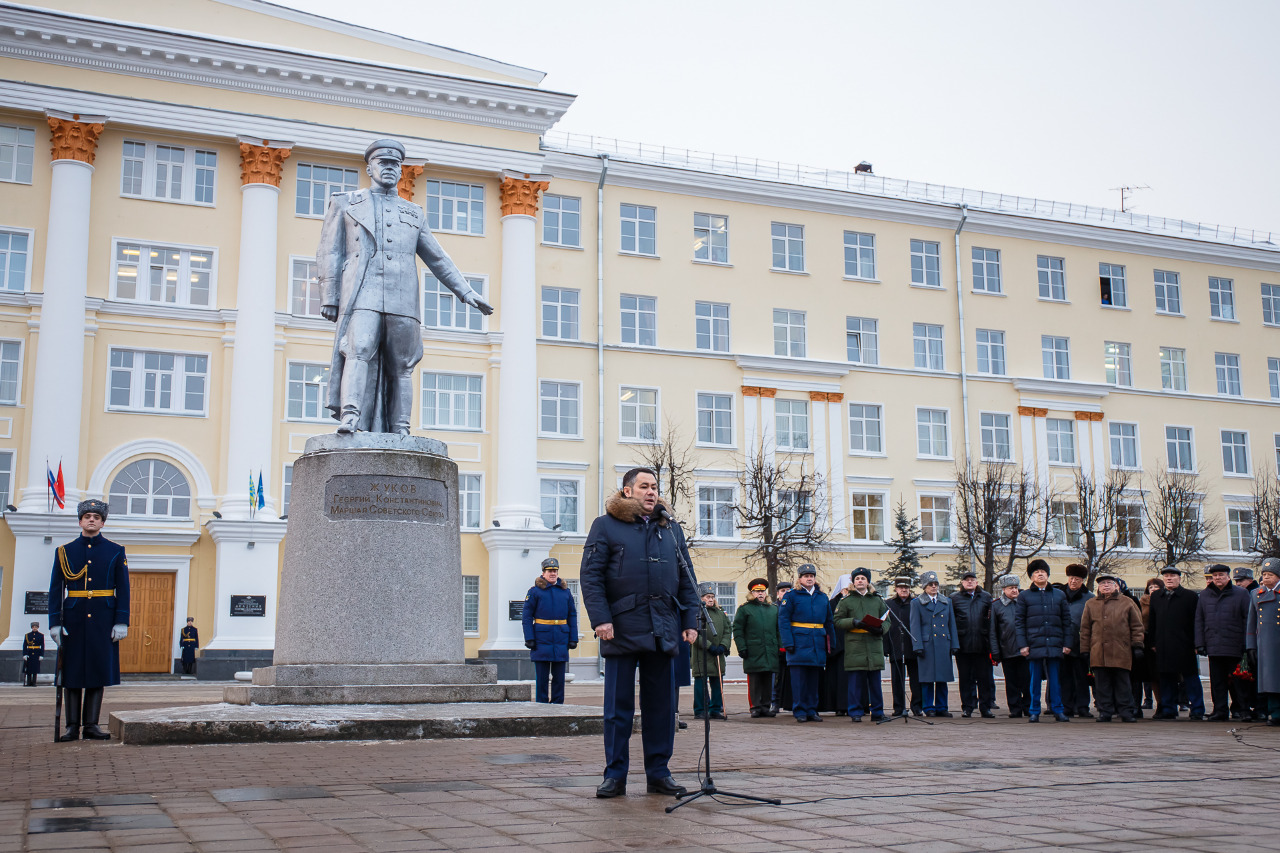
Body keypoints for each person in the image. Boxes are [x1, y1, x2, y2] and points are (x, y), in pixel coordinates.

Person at [318, 138, 492, 435]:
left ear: (401, 171)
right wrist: (330, 295)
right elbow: (330, 251)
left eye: (395, 164)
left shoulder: (414, 212)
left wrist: (466, 291)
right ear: (369, 167)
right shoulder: (346, 202)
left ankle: (401, 428)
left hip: (403, 298)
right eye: (383, 163)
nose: (389, 168)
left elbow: (437, 256)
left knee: (404, 365)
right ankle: (351, 416)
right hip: (363, 293)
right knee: (358, 350)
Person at [580, 467, 699, 798]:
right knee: (618, 709)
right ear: (627, 491)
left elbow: (687, 577)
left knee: (662, 709)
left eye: (655, 487)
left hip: (663, 628)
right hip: (620, 627)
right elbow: (590, 576)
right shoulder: (606, 526)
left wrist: (690, 621)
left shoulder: (670, 529)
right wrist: (601, 619)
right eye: (644, 486)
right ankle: (615, 775)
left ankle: (658, 773)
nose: (652, 492)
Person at [48, 499, 130, 741]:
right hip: (73, 619)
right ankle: (72, 726)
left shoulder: (116, 551)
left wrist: (121, 621)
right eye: (87, 516)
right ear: (80, 521)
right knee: (71, 672)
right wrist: (55, 622)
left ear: (103, 522)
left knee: (96, 670)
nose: (91, 519)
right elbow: (56, 589)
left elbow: (123, 589)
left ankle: (91, 725)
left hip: (104, 619)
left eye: (96, 516)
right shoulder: (64, 552)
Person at [1079, 571, 1144, 722]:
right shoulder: (1091, 604)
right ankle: (1105, 711)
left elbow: (1137, 626)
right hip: (1098, 651)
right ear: (1098, 587)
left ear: (1116, 586)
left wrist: (1137, 645)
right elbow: (1085, 629)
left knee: (1123, 684)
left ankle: (1126, 711)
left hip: (1121, 651)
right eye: (1102, 584)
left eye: (1109, 583)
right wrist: (1085, 650)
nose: (1106, 586)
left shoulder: (1127, 602)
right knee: (1102, 684)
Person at [1014, 558, 1070, 723]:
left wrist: (1067, 643)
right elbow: (1019, 623)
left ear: (1048, 575)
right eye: (1036, 572)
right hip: (1033, 644)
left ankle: (1058, 710)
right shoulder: (1024, 596)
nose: (1040, 574)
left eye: (1043, 572)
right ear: (1031, 577)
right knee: (1034, 681)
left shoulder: (1059, 595)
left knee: (1055, 680)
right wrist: (1023, 645)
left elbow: (1066, 621)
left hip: (1054, 643)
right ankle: (1034, 711)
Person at [778, 564, 835, 723]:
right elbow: (783, 620)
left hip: (817, 642)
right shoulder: (791, 596)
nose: (809, 578)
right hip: (798, 643)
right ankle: (800, 710)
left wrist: (832, 643)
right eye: (806, 576)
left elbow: (829, 622)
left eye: (811, 576)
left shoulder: (822, 597)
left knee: (813, 680)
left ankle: (812, 709)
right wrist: (788, 642)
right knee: (799, 681)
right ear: (800, 579)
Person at [1147, 566, 1206, 720]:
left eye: (1172, 576)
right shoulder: (1156, 597)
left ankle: (1197, 709)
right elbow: (1152, 621)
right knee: (1166, 678)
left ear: (1179, 579)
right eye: (1166, 576)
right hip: (1163, 644)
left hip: (1185, 644)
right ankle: (1168, 709)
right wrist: (1152, 641)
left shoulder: (1190, 596)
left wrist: (1196, 643)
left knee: (1190, 678)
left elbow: (1196, 621)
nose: (1169, 578)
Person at [1195, 563, 1252, 721]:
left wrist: (1247, 643)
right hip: (1214, 645)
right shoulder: (1205, 595)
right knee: (1217, 681)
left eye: (1221, 575)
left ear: (1228, 576)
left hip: (1235, 644)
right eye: (1215, 576)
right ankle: (1220, 710)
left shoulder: (1241, 594)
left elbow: (1248, 619)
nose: (1218, 578)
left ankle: (1243, 710)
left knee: (1239, 681)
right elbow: (1199, 620)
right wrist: (1200, 643)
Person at [832, 567, 888, 721]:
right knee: (855, 683)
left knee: (875, 683)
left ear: (868, 581)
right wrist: (853, 622)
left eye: (863, 578)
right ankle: (855, 712)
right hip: (855, 645)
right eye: (857, 579)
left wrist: (881, 629)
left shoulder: (877, 600)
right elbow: (837, 621)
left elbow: (887, 619)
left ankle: (877, 712)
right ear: (853, 582)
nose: (860, 581)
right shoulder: (846, 601)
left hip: (874, 644)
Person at [522, 557, 579, 705]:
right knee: (542, 677)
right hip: (541, 638)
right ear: (543, 573)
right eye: (549, 571)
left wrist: (573, 637)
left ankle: (558, 704)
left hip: (561, 638)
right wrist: (529, 637)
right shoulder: (534, 592)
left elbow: (572, 615)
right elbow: (527, 616)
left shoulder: (565, 592)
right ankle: (542, 705)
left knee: (559, 677)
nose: (553, 573)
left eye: (555, 571)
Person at [910, 571, 957, 717]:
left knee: (942, 678)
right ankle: (928, 706)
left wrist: (954, 643)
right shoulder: (917, 603)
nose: (934, 587)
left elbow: (952, 624)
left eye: (936, 584)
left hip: (943, 643)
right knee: (927, 678)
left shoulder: (946, 602)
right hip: (927, 644)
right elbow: (915, 626)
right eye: (930, 584)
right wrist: (917, 645)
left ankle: (942, 707)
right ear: (924, 587)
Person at [950, 569, 995, 718]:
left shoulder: (986, 597)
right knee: (965, 678)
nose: (969, 582)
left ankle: (985, 707)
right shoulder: (954, 599)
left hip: (982, 644)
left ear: (976, 582)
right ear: (962, 583)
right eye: (966, 580)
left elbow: (991, 620)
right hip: (963, 645)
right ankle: (967, 707)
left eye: (972, 579)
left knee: (985, 678)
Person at [732, 578, 779, 718]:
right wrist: (741, 647)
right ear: (751, 593)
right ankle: (755, 707)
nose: (760, 594)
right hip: (753, 650)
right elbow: (738, 629)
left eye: (762, 591)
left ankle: (766, 706)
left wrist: (780, 647)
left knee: (767, 679)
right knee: (755, 680)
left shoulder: (773, 609)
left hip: (770, 650)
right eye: (757, 591)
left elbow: (778, 630)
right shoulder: (745, 609)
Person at [1245, 557, 1280, 726]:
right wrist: (1251, 646)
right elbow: (1251, 623)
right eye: (1264, 574)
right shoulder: (1255, 594)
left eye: (1270, 574)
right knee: (1270, 680)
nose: (1266, 578)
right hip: (1265, 644)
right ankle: (1274, 713)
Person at [990, 574, 1030, 718]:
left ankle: (1028, 707)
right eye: (1011, 588)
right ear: (1004, 589)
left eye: (1016, 588)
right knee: (1011, 682)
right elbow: (993, 631)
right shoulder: (996, 606)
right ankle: (1015, 708)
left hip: (1025, 650)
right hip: (1007, 649)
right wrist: (995, 651)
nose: (1014, 590)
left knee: (1026, 681)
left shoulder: (1024, 603)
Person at [1059, 564, 1095, 718]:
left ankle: (1082, 707)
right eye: (1071, 578)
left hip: (1081, 643)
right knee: (1065, 678)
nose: (1073, 581)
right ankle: (1067, 706)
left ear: (1083, 581)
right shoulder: (1059, 594)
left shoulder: (1090, 598)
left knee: (1081, 678)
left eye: (1077, 579)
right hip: (1062, 643)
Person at [692, 583, 730, 720]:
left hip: (717, 654)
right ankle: (700, 710)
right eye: (708, 597)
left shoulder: (720, 613)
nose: (710, 599)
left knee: (717, 682)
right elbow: (695, 634)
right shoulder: (696, 613)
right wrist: (709, 646)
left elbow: (727, 629)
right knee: (701, 682)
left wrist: (723, 646)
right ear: (701, 598)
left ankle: (715, 709)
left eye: (712, 597)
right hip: (702, 654)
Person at [885, 577, 922, 717]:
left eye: (906, 587)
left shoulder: (916, 603)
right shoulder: (888, 604)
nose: (904, 590)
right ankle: (899, 707)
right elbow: (885, 625)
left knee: (916, 679)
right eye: (901, 587)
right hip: (895, 645)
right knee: (897, 679)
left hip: (912, 646)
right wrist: (886, 647)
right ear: (896, 589)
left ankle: (917, 706)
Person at [821, 574, 852, 715]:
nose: (847, 591)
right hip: (838, 648)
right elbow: (829, 624)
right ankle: (839, 706)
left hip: (853, 647)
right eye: (845, 588)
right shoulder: (832, 604)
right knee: (838, 680)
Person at [1137, 576, 1165, 715]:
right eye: (1150, 587)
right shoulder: (1142, 602)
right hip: (1146, 641)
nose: (1153, 589)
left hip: (1163, 641)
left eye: (1156, 587)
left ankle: (1166, 703)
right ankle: (1154, 702)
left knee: (1163, 675)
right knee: (1151, 675)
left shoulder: (1165, 600)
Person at [771, 580, 793, 715]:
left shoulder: (794, 606)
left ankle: (790, 702)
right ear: (778, 594)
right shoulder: (773, 608)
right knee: (776, 679)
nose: (785, 593)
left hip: (791, 647)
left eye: (788, 591)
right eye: (783, 591)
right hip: (777, 648)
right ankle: (775, 703)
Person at [23, 622, 44, 686]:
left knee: (35, 669)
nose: (34, 628)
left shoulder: (41, 635)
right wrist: (25, 654)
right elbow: (25, 645)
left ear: (38, 627)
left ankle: (34, 682)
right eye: (33, 627)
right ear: (32, 627)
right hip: (29, 653)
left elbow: (42, 645)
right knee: (28, 669)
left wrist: (41, 655)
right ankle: (28, 682)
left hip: (36, 653)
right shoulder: (28, 635)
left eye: (36, 627)